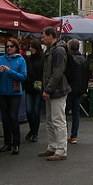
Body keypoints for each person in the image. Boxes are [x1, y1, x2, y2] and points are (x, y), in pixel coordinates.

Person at [38, 26, 71, 161]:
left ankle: (61, 150)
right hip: (52, 89)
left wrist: (48, 89)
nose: (42, 38)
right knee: (50, 121)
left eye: (44, 36)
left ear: (51, 36)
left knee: (58, 120)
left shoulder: (58, 51)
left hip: (57, 90)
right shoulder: (51, 50)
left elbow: (57, 72)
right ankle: (52, 146)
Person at [0, 37, 26, 154]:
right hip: (2, 92)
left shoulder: (21, 60)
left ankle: (16, 143)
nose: (9, 48)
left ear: (16, 47)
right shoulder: (0, 59)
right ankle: (7, 142)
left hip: (15, 92)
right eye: (7, 46)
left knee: (13, 117)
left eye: (11, 46)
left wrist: (9, 71)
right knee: (4, 117)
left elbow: (23, 77)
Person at [65, 39, 89, 144]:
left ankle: (63, 135)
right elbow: (86, 76)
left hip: (69, 89)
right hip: (79, 90)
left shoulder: (69, 59)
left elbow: (68, 75)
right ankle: (74, 136)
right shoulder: (83, 59)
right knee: (76, 113)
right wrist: (84, 90)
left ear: (69, 48)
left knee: (64, 113)